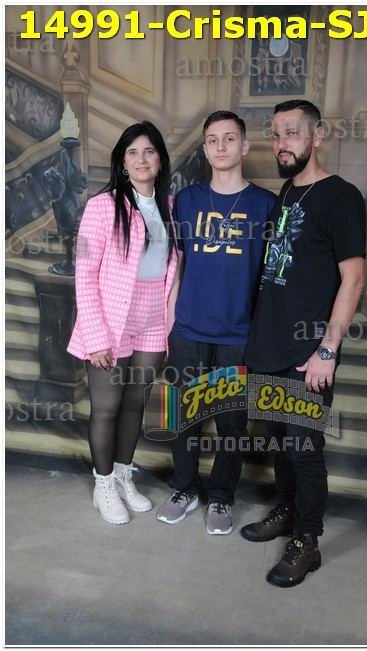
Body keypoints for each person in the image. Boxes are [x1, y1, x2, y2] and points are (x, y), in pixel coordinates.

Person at [243, 99, 366, 586]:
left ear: (317, 136)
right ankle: (288, 511)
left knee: (303, 448)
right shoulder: (288, 191)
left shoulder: (341, 197)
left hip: (308, 353)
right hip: (270, 345)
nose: (281, 143)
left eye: (292, 133)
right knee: (279, 441)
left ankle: (307, 541)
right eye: (276, 134)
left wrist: (326, 352)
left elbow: (353, 280)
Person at [156, 110, 276, 535]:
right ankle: (184, 488)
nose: (220, 146)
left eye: (229, 138)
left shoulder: (266, 205)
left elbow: (271, 276)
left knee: (231, 423)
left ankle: (222, 496)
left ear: (245, 146)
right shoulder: (187, 200)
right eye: (212, 140)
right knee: (183, 417)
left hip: (237, 333)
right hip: (189, 328)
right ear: (205, 149)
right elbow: (178, 264)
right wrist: (170, 322)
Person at [68, 121, 179, 525]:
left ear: (160, 159)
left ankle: (122, 476)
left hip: (152, 319)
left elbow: (172, 270)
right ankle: (103, 486)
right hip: (110, 321)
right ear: (122, 162)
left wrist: (169, 322)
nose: (141, 159)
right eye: (132, 152)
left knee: (135, 404)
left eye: (149, 151)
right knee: (107, 407)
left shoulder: (170, 207)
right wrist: (96, 336)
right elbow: (84, 274)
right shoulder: (102, 206)